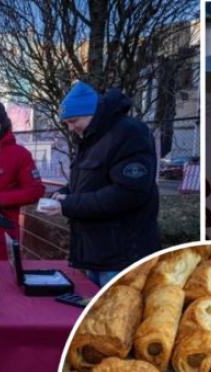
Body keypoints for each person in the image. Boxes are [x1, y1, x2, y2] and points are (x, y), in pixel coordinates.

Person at [45, 81, 160, 287]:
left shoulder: (129, 133)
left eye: (73, 121)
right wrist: (64, 194)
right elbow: (87, 185)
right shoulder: (91, 139)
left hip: (122, 257)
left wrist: (68, 205)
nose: (71, 128)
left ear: (93, 113)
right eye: (67, 123)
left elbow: (128, 194)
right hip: (97, 254)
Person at [0, 100, 44, 259]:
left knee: (3, 280)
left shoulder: (20, 154)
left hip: (2, 232)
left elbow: (36, 190)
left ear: (3, 123)